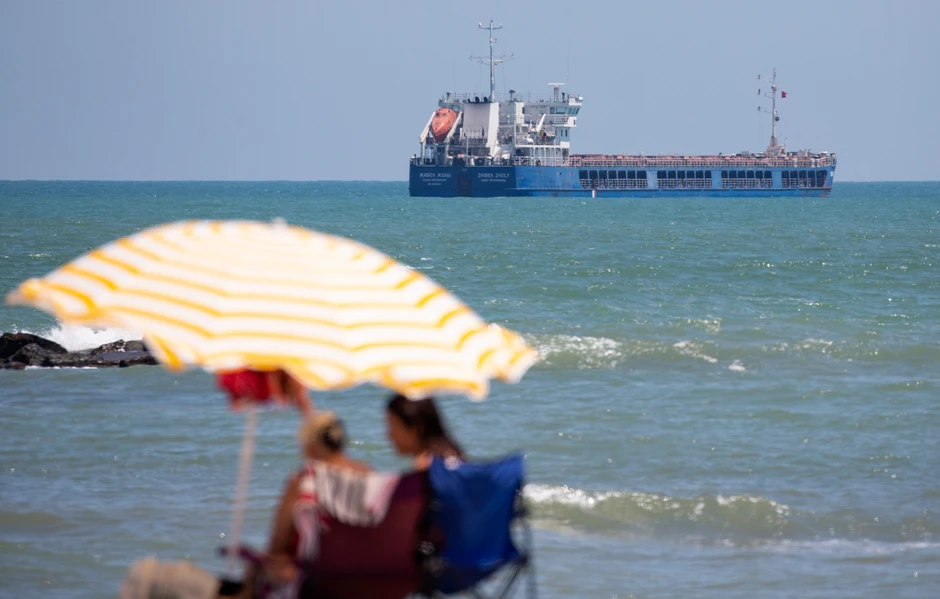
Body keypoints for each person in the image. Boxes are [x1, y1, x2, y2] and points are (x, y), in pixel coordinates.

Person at [385, 394, 465, 470]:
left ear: (415, 429)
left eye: (392, 426)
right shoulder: (452, 455)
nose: (389, 434)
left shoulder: (427, 467)